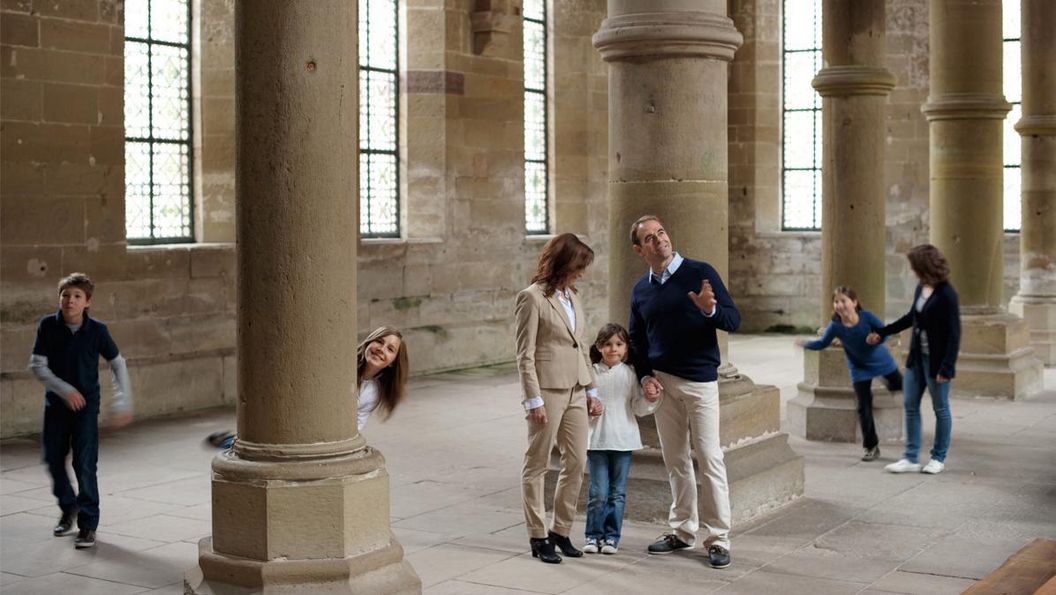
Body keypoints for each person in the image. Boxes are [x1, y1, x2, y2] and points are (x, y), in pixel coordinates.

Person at [627, 215, 739, 569]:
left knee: (709, 457)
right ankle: (682, 530)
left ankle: (718, 537)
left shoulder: (699, 272)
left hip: (699, 381)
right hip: (662, 382)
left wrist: (711, 310)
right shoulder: (641, 290)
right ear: (639, 250)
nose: (659, 240)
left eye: (662, 232)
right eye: (649, 238)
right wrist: (645, 376)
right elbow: (636, 340)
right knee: (675, 460)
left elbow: (734, 320)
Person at [515, 232, 604, 565]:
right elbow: (524, 354)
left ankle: (561, 531)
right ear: (563, 263)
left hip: (578, 389)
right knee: (537, 464)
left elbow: (581, 345)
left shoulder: (573, 296)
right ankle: (538, 536)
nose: (581, 273)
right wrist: (532, 399)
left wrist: (592, 389)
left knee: (577, 462)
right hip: (547, 391)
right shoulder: (532, 298)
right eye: (578, 266)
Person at [28, 273, 133, 550]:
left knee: (85, 464)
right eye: (65, 295)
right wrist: (64, 390)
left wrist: (122, 402)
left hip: (86, 408)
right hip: (56, 406)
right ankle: (68, 507)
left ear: (87, 302)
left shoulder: (97, 331)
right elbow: (38, 365)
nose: (70, 300)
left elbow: (118, 364)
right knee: (52, 458)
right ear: (59, 298)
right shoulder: (47, 326)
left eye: (76, 296)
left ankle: (88, 525)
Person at [206, 326, 408, 448]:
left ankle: (232, 442)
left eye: (390, 349)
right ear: (368, 342)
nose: (381, 350)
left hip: (330, 432)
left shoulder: (375, 391)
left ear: (392, 362)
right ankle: (232, 442)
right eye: (379, 341)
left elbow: (357, 421)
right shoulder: (341, 365)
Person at [868, 244, 960, 475]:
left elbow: (954, 334)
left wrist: (947, 367)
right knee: (910, 405)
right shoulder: (922, 288)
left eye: (914, 266)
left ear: (923, 265)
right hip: (916, 359)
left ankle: (938, 458)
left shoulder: (947, 294)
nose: (911, 271)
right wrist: (883, 331)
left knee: (941, 409)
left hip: (937, 363)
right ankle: (910, 457)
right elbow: (911, 317)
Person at [796, 286, 902, 462]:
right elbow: (822, 343)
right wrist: (805, 344)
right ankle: (871, 446)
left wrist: (877, 337)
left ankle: (900, 384)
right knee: (863, 407)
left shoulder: (867, 317)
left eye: (843, 301)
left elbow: (884, 333)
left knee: (900, 386)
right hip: (859, 368)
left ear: (854, 302)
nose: (839, 305)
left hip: (881, 362)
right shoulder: (836, 326)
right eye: (836, 302)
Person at [582, 323, 658, 555]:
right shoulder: (591, 373)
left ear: (626, 348)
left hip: (623, 439)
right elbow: (580, 402)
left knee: (617, 493)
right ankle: (593, 536)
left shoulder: (631, 374)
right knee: (598, 492)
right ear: (599, 347)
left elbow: (638, 406)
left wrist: (650, 398)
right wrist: (588, 406)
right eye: (607, 344)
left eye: (618, 344)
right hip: (597, 440)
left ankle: (612, 537)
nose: (613, 349)